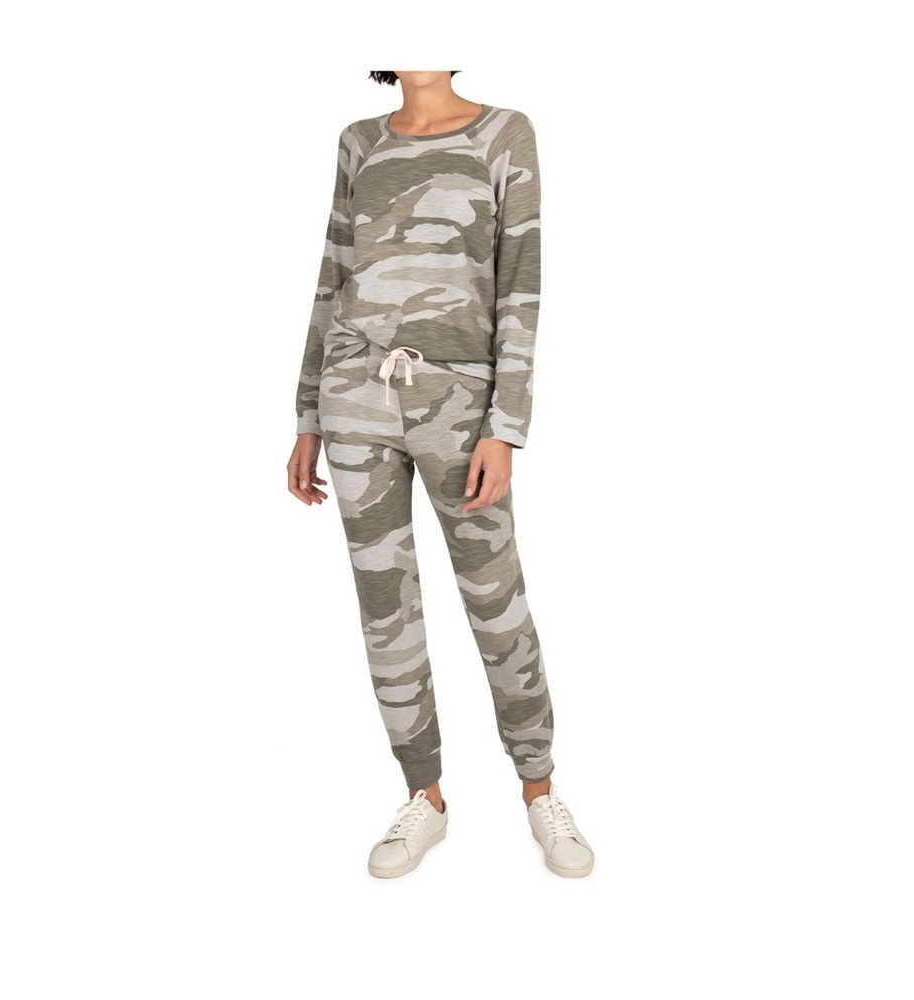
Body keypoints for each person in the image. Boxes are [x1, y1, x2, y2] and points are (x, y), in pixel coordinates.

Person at [287, 70, 593, 879]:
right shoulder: (359, 140)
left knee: (496, 598)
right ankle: (423, 795)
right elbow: (332, 274)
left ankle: (540, 788)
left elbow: (521, 281)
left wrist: (506, 425)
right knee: (385, 608)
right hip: (355, 394)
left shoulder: (503, 132)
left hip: (458, 403)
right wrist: (308, 413)